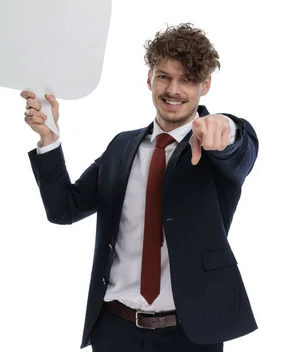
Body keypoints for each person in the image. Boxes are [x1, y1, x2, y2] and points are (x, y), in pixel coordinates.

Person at [22, 23, 258, 352]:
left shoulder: (215, 148)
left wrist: (228, 127)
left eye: (187, 79)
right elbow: (65, 209)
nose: (173, 90)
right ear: (149, 78)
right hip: (115, 330)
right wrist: (49, 138)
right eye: (164, 76)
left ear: (205, 85)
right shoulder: (121, 147)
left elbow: (241, 150)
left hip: (190, 336)